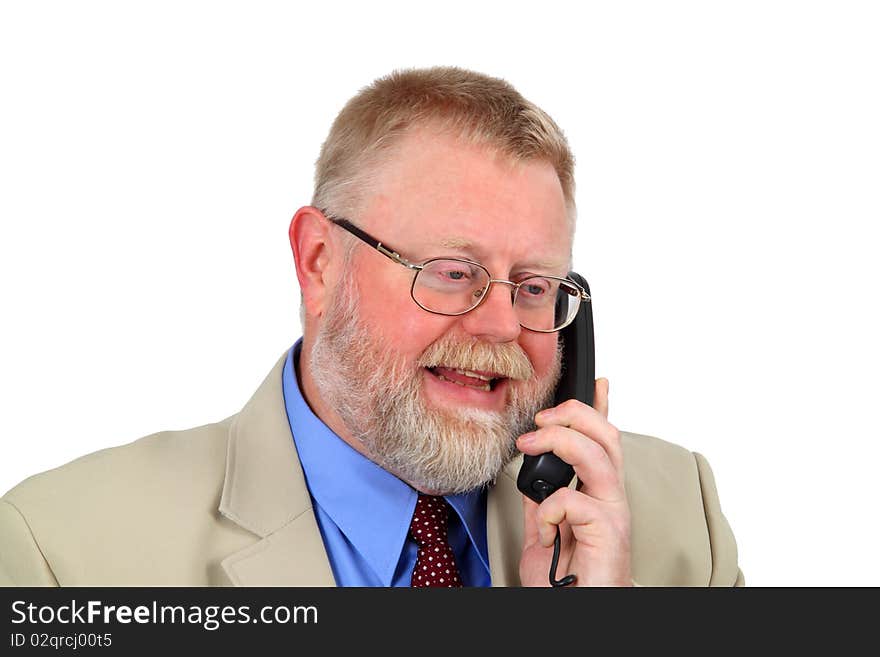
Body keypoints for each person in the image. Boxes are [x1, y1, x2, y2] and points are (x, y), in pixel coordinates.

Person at [0, 67, 742, 587]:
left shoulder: (677, 517)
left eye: (534, 285)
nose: (499, 325)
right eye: (453, 270)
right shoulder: (61, 549)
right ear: (320, 261)